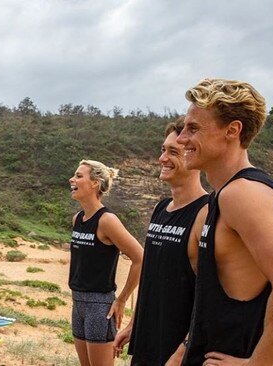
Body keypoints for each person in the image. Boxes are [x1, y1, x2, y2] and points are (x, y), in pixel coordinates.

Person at [176, 78, 273, 365]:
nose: (181, 138)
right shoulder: (228, 194)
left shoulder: (242, 194)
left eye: (193, 128)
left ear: (232, 130)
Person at [112, 119, 209, 365]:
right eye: (163, 149)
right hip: (146, 343)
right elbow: (151, 275)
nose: (163, 158)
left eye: (173, 152)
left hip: (178, 353)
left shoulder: (206, 212)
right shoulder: (160, 209)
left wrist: (182, 352)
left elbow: (209, 296)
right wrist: (134, 323)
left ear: (195, 157)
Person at [68, 160, 144, 366]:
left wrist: (121, 300)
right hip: (78, 303)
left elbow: (140, 258)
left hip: (100, 307)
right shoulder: (78, 219)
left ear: (95, 183)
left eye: (79, 176)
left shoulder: (107, 220)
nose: (72, 180)